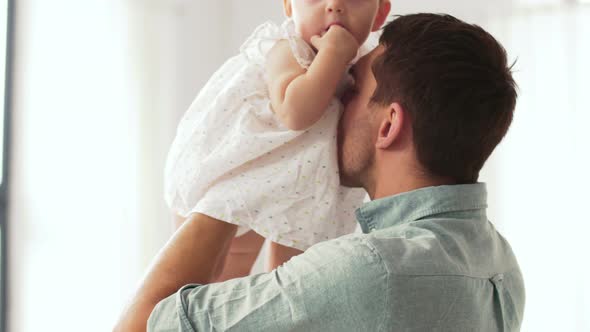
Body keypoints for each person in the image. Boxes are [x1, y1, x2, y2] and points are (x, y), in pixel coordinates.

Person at [116, 13, 525, 331]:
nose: (332, 101)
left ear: (388, 126)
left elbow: (146, 326)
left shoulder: (366, 271)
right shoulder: (501, 267)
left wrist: (235, 182)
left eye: (350, 88)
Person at [163, 0, 390, 283]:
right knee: (219, 263)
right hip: (249, 163)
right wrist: (332, 54)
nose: (334, 5)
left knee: (293, 274)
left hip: (305, 177)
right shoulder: (289, 49)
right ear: (288, 7)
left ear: (379, 13)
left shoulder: (363, 63)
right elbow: (296, 113)